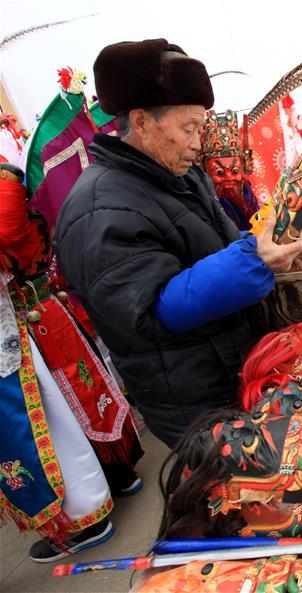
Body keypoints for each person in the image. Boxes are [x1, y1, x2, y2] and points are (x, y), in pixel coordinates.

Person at [54, 39, 302, 447]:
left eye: (201, 127)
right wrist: (252, 259)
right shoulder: (98, 209)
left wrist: (264, 245)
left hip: (235, 372)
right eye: (189, 129)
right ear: (141, 121)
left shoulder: (179, 174)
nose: (198, 142)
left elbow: (214, 250)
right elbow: (155, 309)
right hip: (193, 402)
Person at [0, 164, 120, 562]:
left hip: (22, 323)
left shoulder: (6, 185)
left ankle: (86, 517)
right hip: (29, 317)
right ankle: (112, 482)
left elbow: (11, 231)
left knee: (49, 418)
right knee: (68, 400)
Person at [199, 109, 260, 230]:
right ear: (204, 170)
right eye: (219, 172)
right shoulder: (201, 205)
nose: (229, 178)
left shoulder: (248, 197)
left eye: (235, 171)